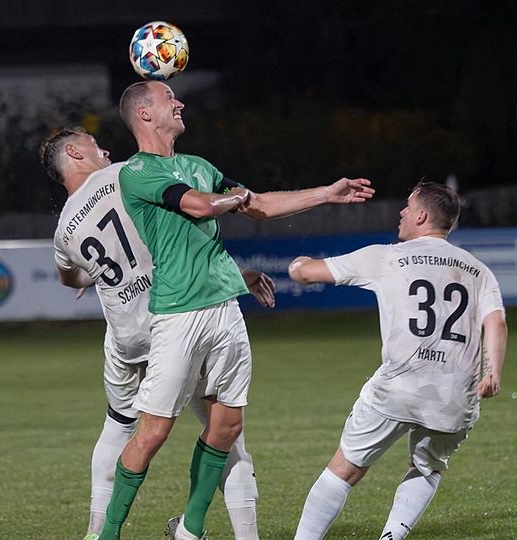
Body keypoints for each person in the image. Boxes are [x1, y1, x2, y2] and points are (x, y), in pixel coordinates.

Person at [101, 80, 375, 540]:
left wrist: (326, 193)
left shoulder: (199, 165)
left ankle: (190, 529)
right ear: (144, 114)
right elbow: (199, 206)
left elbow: (259, 204)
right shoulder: (137, 172)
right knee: (153, 432)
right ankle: (109, 533)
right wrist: (236, 199)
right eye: (169, 98)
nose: (180, 102)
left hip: (225, 311)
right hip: (178, 315)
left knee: (227, 425)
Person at [40, 126, 275, 540]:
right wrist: (236, 272)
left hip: (127, 340)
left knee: (119, 425)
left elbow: (69, 276)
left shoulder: (63, 231)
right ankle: (241, 534)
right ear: (74, 152)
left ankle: (97, 531)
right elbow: (177, 241)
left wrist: (91, 276)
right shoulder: (126, 174)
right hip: (175, 318)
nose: (104, 149)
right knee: (224, 431)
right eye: (94, 144)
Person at [287, 181, 508, 540]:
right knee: (427, 467)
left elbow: (306, 273)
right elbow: (495, 322)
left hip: (400, 385)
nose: (401, 213)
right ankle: (391, 536)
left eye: (407, 206)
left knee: (345, 468)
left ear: (421, 216)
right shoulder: (477, 269)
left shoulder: (386, 256)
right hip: (455, 394)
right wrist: (492, 372)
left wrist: (296, 265)